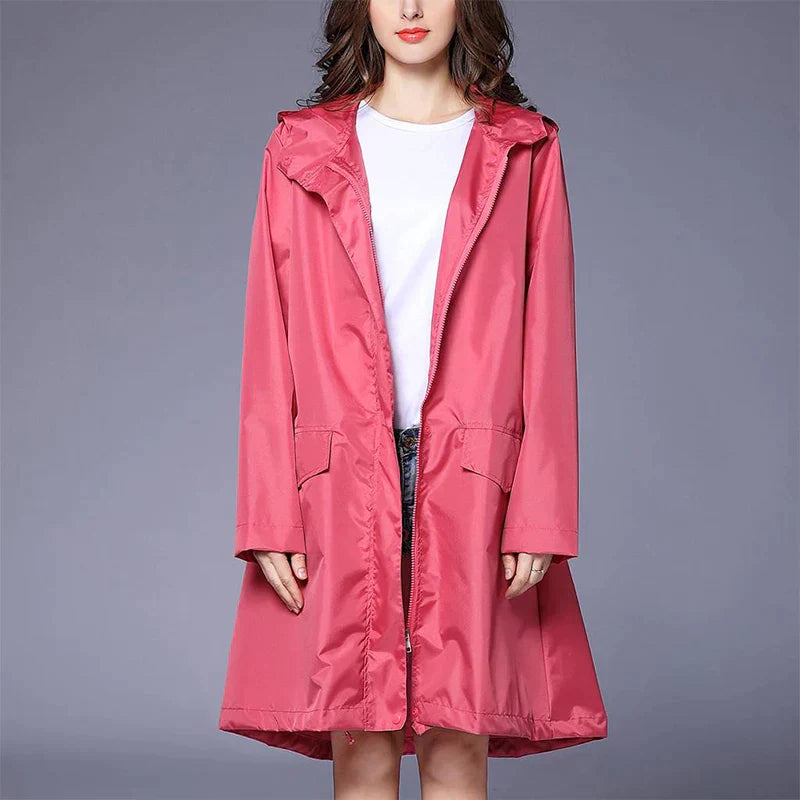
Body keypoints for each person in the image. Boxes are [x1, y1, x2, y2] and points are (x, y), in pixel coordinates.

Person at [219, 1, 608, 797]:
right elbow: (269, 339)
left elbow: (549, 340)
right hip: (339, 481)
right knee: (359, 746)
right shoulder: (300, 148)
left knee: (457, 745)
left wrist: (541, 510)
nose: (409, 8)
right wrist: (267, 512)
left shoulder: (523, 148)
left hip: (473, 478)